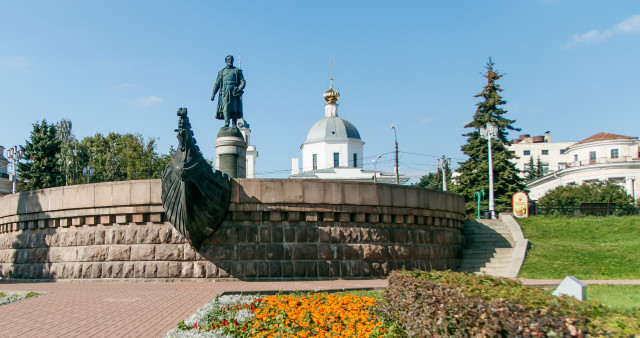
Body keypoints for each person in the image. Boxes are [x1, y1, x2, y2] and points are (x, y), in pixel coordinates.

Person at [211, 55, 245, 127]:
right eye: (228, 60)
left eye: (231, 60)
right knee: (226, 107)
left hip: (234, 92)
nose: (230, 61)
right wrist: (213, 94)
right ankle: (227, 123)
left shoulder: (237, 71)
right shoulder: (222, 72)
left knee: (235, 108)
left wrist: (240, 88)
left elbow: (242, 81)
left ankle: (234, 124)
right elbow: (217, 84)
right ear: (226, 61)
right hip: (225, 92)